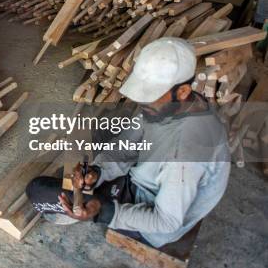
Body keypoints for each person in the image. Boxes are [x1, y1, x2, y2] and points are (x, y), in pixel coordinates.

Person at [26, 37, 231, 248]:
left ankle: (93, 208)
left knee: (39, 190)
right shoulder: (175, 104)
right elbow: (126, 147)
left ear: (182, 91)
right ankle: (96, 188)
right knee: (97, 135)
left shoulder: (186, 154)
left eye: (149, 96)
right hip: (148, 178)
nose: (142, 103)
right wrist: (98, 172)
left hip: (152, 220)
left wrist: (104, 210)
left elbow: (166, 221)